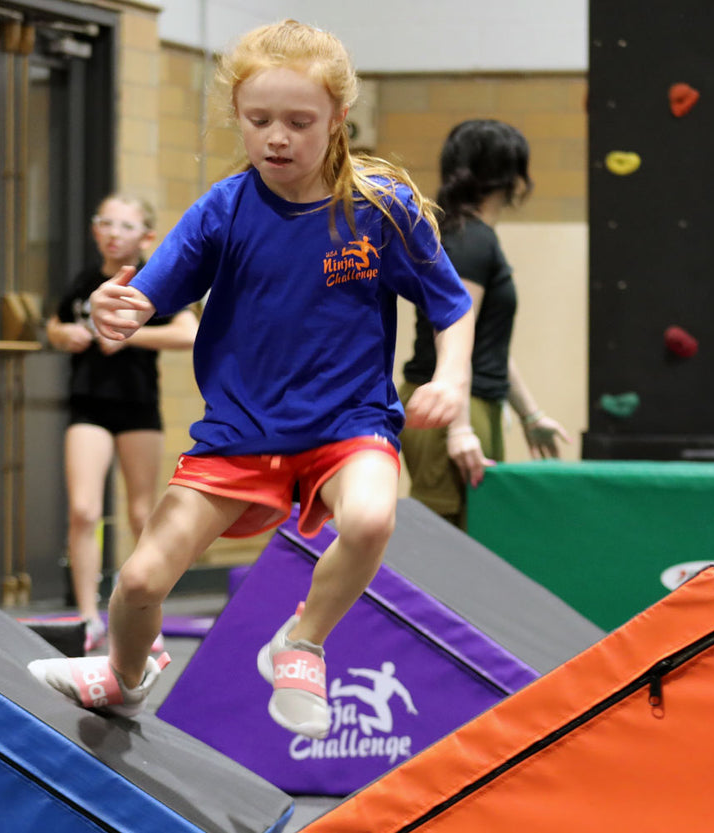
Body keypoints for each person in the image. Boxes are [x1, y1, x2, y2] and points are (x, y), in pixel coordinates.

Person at [28, 19, 475, 740]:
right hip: (238, 433)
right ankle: (124, 675)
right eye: (259, 119)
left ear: (336, 119)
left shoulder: (380, 207)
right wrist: (117, 305)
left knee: (371, 515)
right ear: (237, 114)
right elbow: (148, 294)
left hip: (347, 420)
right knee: (139, 582)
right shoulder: (223, 210)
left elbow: (452, 305)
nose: (278, 137)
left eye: (300, 122)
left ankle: (301, 641)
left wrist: (452, 378)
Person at [399, 119, 570, 529]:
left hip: (466, 405)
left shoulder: (472, 236)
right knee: (446, 546)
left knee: (472, 537)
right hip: (451, 409)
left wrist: (530, 414)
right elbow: (452, 330)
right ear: (510, 176)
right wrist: (458, 428)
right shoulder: (469, 239)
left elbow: (480, 342)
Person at [45, 195, 197, 652]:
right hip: (87, 404)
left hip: (136, 406)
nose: (113, 233)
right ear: (95, 230)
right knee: (84, 510)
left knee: (139, 512)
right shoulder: (84, 281)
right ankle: (89, 616)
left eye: (125, 226)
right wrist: (60, 334)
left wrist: (130, 337)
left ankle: (141, 611)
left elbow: (187, 333)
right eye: (105, 223)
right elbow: (56, 321)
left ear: (146, 237)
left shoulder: (154, 279)